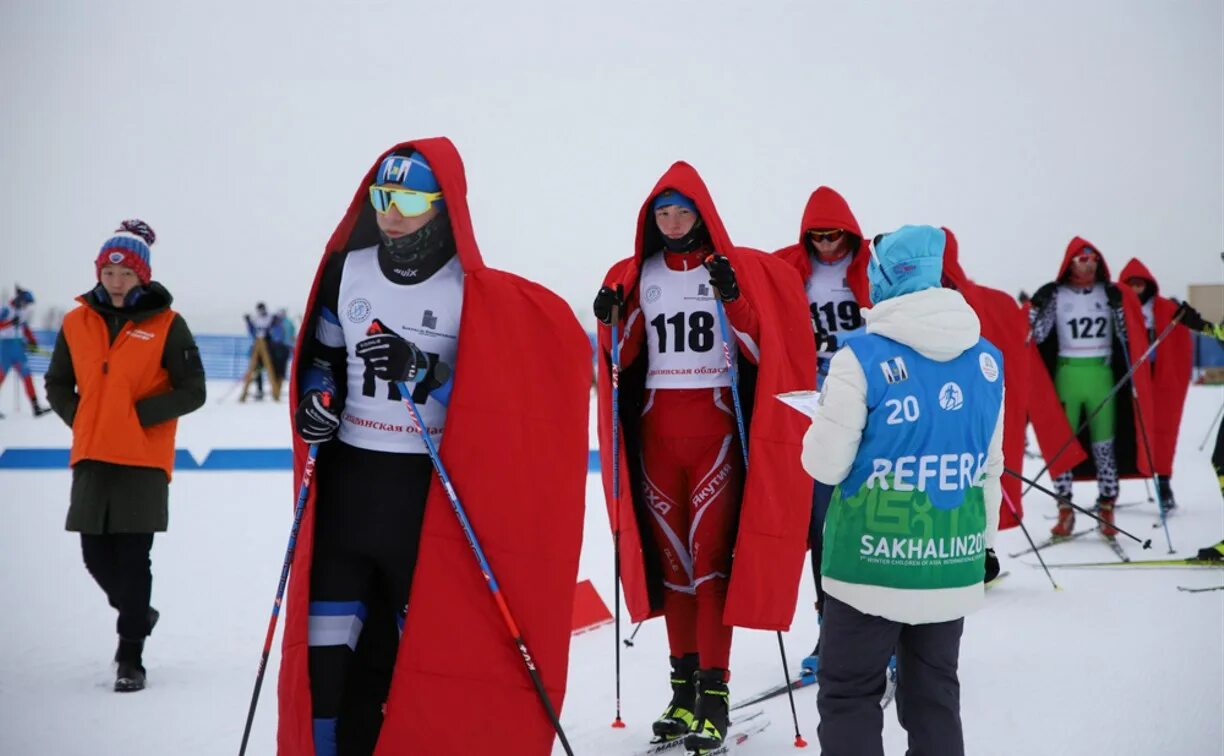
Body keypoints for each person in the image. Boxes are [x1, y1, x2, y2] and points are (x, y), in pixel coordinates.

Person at [277, 139, 590, 756]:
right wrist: (317, 402)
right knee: (325, 669)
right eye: (382, 197)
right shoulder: (350, 269)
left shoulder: (470, 290)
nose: (391, 213)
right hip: (349, 488)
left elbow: (492, 395)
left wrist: (421, 368)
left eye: (409, 200)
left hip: (425, 498)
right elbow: (323, 358)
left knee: (418, 662)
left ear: (443, 207)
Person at [594, 163, 813, 752]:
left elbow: (756, 346)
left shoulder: (726, 268)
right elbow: (626, 355)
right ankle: (682, 691)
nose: (671, 223)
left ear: (701, 213)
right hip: (657, 435)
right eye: (662, 213)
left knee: (709, 562)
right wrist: (610, 321)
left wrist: (734, 298)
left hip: (716, 431)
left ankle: (714, 695)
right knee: (674, 569)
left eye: (681, 212)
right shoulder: (640, 275)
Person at [801, 224, 1004, 756]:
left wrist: (820, 418)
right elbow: (990, 467)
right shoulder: (987, 359)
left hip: (870, 561)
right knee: (935, 696)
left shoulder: (860, 356)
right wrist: (981, 544)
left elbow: (824, 464)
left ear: (887, 277)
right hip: (950, 557)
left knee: (848, 694)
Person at [44, 219, 206, 692]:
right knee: (95, 554)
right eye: (108, 273)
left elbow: (192, 390)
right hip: (93, 455)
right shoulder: (76, 323)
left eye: (126, 275)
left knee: (134, 559)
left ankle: (130, 657)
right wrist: (84, 417)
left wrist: (138, 414)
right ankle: (139, 613)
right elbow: (56, 383)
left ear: (143, 277)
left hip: (142, 458)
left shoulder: (168, 325)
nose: (116, 283)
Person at [773, 186, 872, 679]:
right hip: (814, 403)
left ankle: (884, 635)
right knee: (822, 525)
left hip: (872, 400)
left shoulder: (875, 268)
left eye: (835, 236)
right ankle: (829, 631)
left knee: (873, 517)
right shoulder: (791, 268)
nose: (828, 245)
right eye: (817, 237)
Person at [1029, 239, 1156, 539]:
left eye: (1093, 259)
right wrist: (1037, 305)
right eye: (1082, 259)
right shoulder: (1059, 295)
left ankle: (1107, 504)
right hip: (1068, 373)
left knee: (1104, 445)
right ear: (1069, 263)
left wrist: (1119, 308)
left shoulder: (1110, 292)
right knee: (1061, 444)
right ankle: (1064, 508)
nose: (1089, 264)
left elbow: (1128, 335)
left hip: (1101, 374)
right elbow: (1037, 334)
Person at [1119, 258, 1215, 511]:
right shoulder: (1119, 307)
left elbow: (1181, 341)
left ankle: (1163, 482)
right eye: (1131, 285)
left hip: (1160, 375)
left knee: (1164, 431)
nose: (1136, 289)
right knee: (1126, 430)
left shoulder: (1164, 308)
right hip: (1132, 375)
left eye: (1140, 284)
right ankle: (1111, 489)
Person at [0, 285, 52, 417]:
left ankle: (36, 407)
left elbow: (25, 328)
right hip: (5, 348)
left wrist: (32, 341)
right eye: (25, 303)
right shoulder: (6, 309)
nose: (26, 306)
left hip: (18, 347)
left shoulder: (22, 312)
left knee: (27, 376)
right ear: (20, 300)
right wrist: (11, 322)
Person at [241, 302, 282, 401]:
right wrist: (248, 322)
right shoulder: (256, 319)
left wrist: (276, 319)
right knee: (256, 369)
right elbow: (252, 331)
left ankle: (276, 390)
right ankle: (259, 390)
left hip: (268, 345)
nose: (261, 312)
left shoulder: (270, 317)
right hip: (258, 345)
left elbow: (275, 326)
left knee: (272, 368)